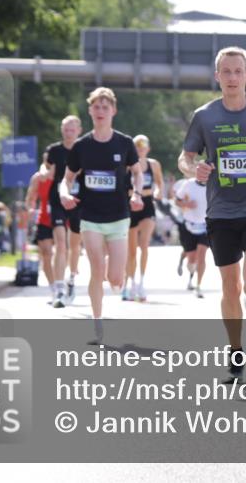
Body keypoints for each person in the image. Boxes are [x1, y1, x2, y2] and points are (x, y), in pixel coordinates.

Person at [179, 46, 246, 383]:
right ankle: (235, 353)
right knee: (229, 286)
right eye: (226, 71)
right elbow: (186, 157)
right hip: (221, 212)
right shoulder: (205, 116)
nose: (232, 77)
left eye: (238, 71)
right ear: (217, 76)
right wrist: (193, 168)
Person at [59, 87, 143, 343]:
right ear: (90, 111)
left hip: (118, 217)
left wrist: (137, 194)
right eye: (96, 107)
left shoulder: (125, 143)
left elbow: (137, 172)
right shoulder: (82, 146)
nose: (100, 111)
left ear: (113, 111)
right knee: (96, 268)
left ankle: (111, 269)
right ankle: (97, 326)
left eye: (105, 107)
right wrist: (64, 193)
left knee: (115, 279)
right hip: (90, 217)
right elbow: (67, 179)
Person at [45, 116, 83, 309]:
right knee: (61, 245)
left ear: (79, 130)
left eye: (71, 129)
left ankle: (71, 279)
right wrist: (42, 173)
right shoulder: (54, 150)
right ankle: (58, 289)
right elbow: (47, 168)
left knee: (74, 246)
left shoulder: (86, 149)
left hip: (79, 202)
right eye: (65, 129)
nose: (68, 133)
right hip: (58, 200)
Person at [124, 134, 164, 302]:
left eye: (143, 146)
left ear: (148, 148)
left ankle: (141, 282)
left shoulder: (153, 164)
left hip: (147, 205)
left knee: (144, 245)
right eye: (137, 147)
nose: (140, 149)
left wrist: (157, 192)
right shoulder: (127, 165)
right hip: (131, 205)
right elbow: (124, 187)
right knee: (131, 250)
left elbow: (159, 184)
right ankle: (131, 283)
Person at [173, 176, 209, 297]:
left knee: (201, 255)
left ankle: (198, 286)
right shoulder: (188, 184)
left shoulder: (213, 184)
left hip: (206, 226)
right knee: (192, 260)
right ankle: (190, 274)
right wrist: (187, 204)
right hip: (189, 225)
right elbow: (176, 200)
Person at [26, 160, 56, 301]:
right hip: (44, 220)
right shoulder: (38, 177)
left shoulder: (64, 175)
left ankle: (65, 282)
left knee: (63, 253)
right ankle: (54, 288)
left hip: (63, 220)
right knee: (46, 254)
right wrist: (31, 208)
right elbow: (31, 197)